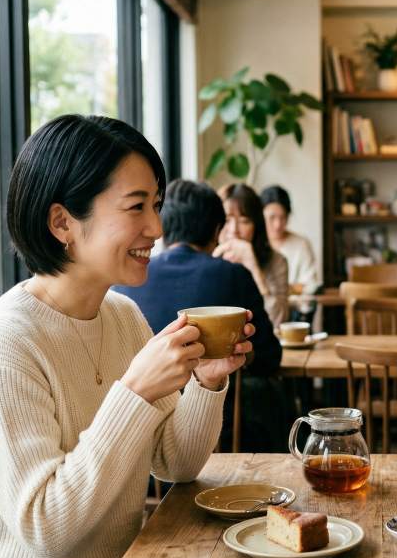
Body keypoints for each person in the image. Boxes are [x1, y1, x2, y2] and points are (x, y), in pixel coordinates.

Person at [0, 115, 251, 558]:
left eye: (157, 205)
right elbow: (48, 530)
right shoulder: (2, 344)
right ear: (62, 223)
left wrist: (207, 382)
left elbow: (176, 463)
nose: (156, 228)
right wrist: (135, 392)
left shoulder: (122, 316)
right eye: (136, 206)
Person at [116, 179, 283, 451]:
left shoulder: (126, 282)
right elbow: (271, 356)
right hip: (219, 435)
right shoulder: (233, 275)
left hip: (138, 435)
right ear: (217, 230)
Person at [216, 183, 290, 327]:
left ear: (256, 226)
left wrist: (254, 268)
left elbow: (278, 320)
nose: (234, 230)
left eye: (244, 221)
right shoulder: (205, 257)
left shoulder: (277, 261)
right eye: (227, 220)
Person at [261, 185, 320, 297]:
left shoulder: (301, 245)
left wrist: (275, 289)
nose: (278, 225)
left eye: (283, 217)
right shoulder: (254, 244)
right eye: (272, 217)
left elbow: (311, 285)